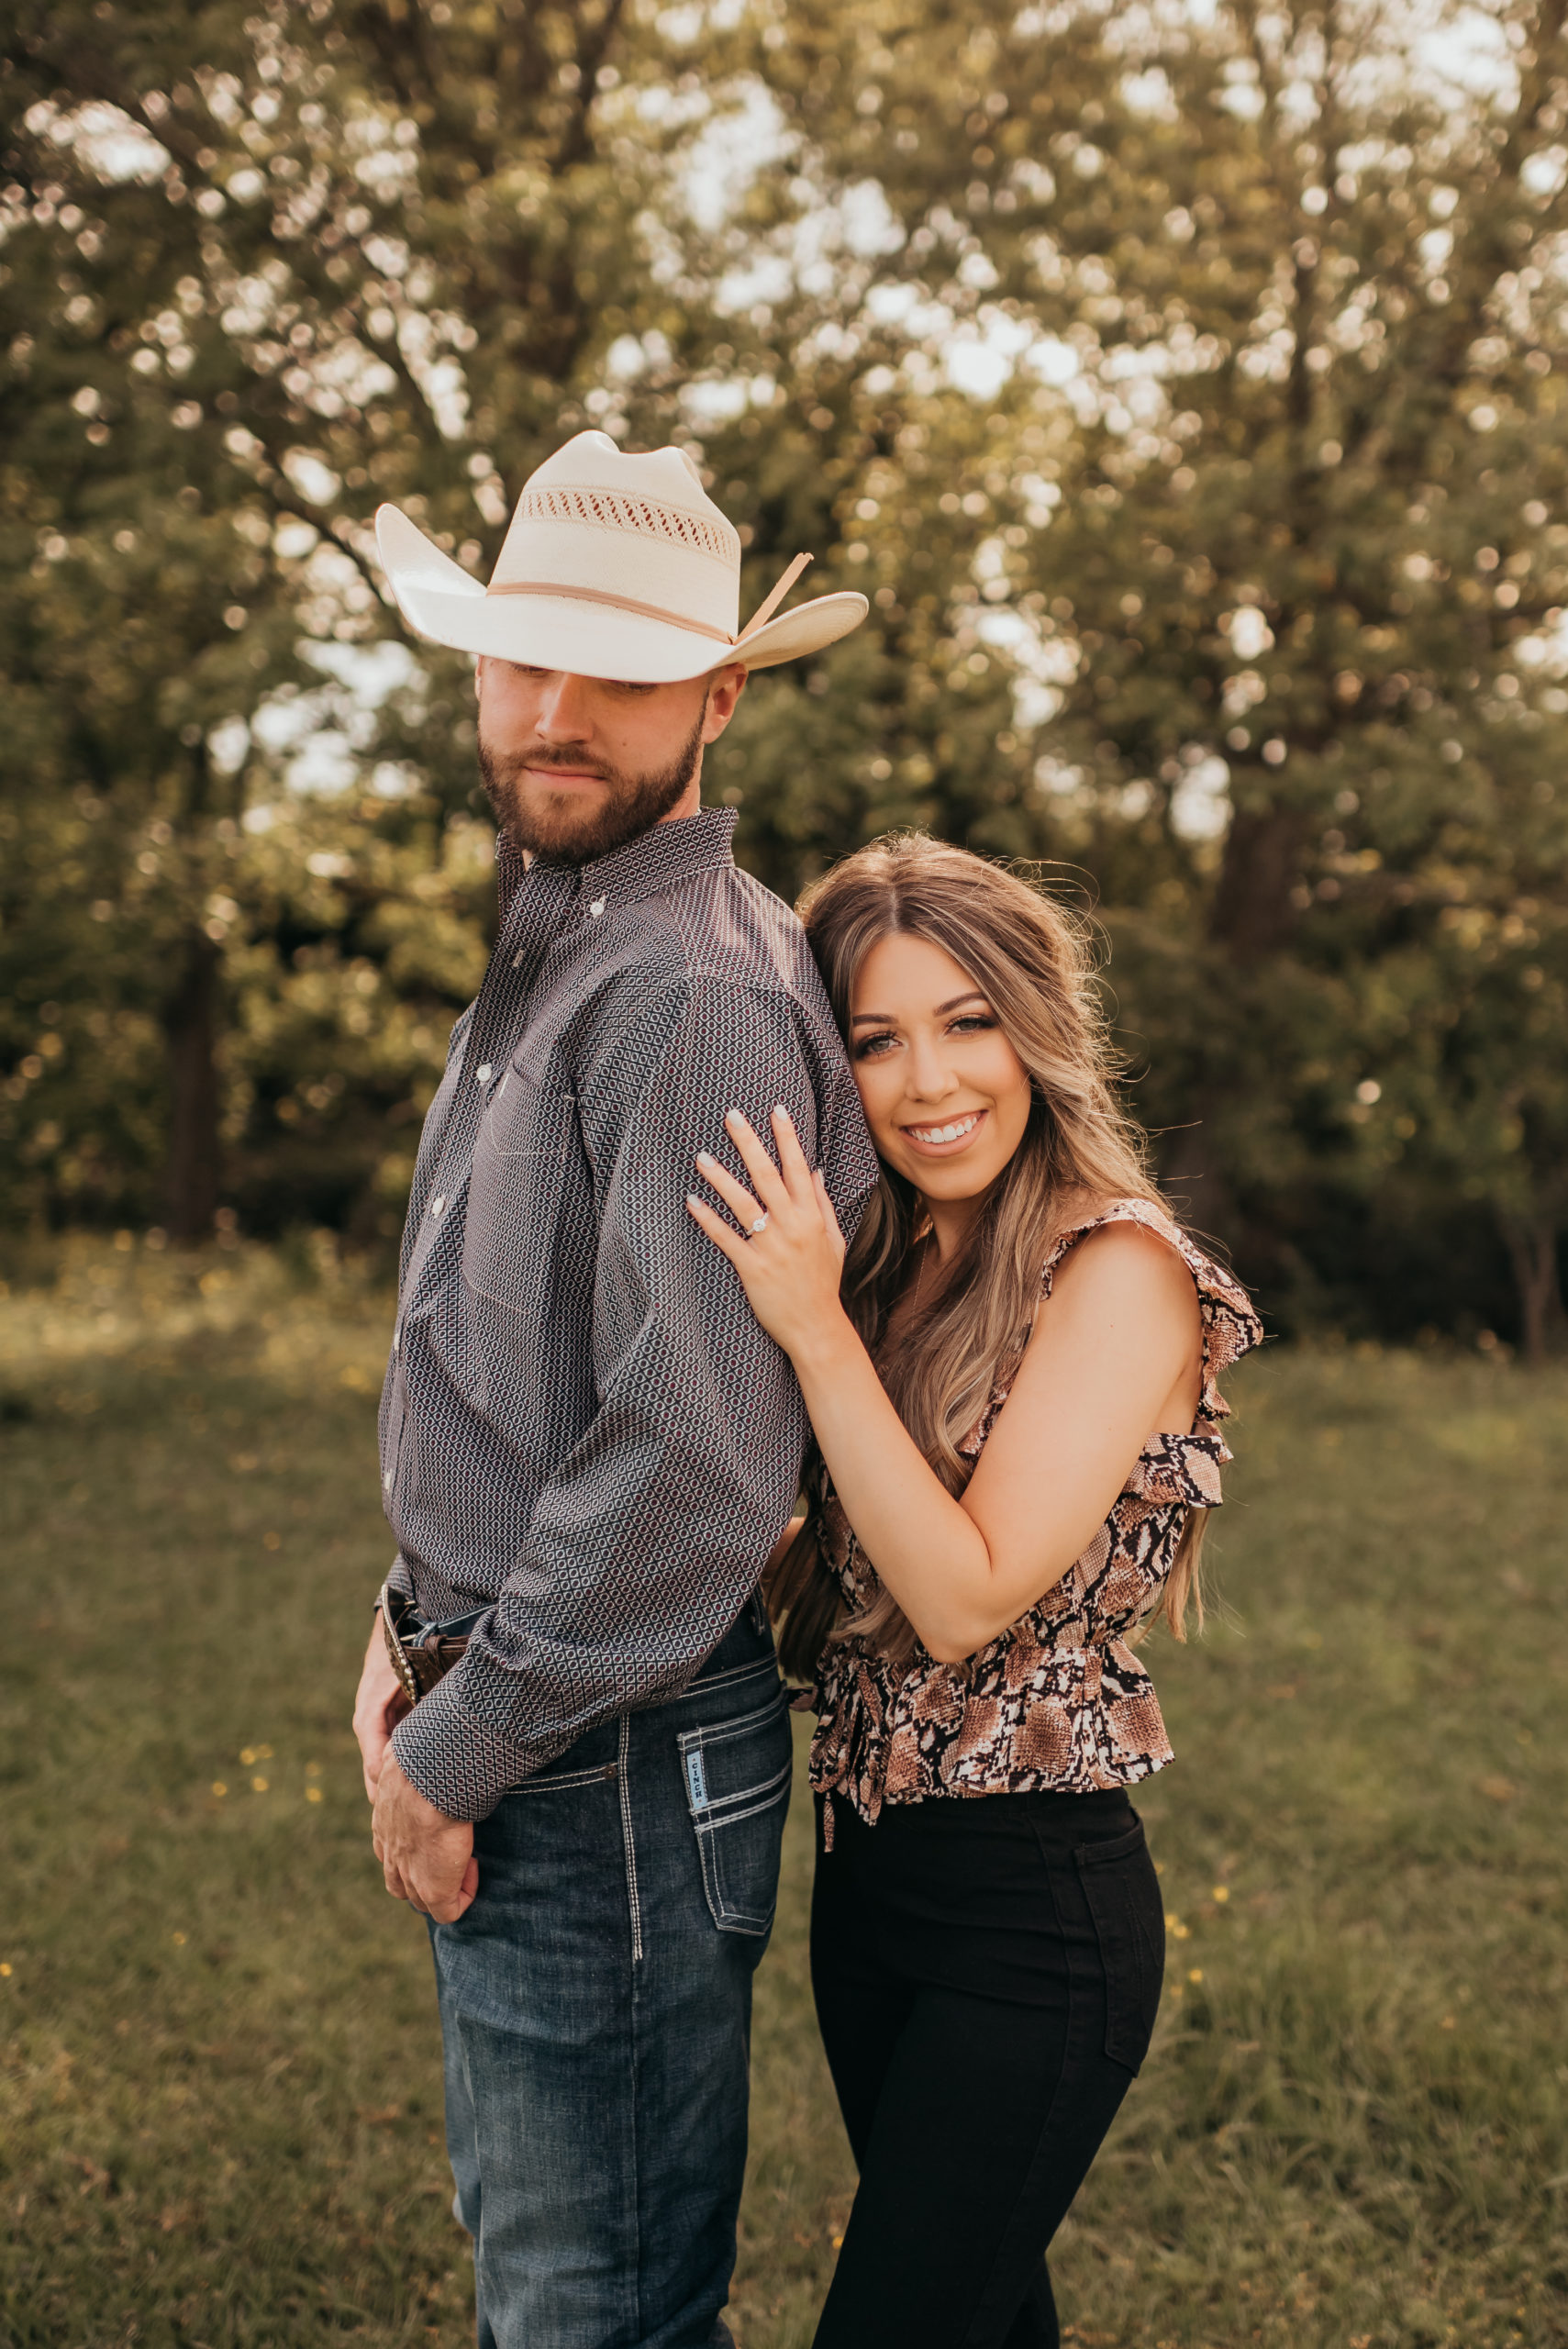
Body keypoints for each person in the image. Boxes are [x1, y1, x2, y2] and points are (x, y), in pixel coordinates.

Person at [349, 429, 879, 2349]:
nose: (555, 711)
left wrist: (454, 1742)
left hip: (605, 1753)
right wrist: (404, 1624)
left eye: (621, 669)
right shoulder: (567, 934)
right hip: (527, 1688)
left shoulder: (683, 991)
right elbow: (520, 1359)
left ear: (720, 694)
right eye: (520, 655)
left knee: (599, 2315)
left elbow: (695, 1461)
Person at [687, 833, 1263, 2349]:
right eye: (874, 1039)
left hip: (1032, 1918)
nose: (927, 1080)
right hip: (869, 1884)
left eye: (966, 1021)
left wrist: (808, 1335)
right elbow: (848, 1570)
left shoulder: (1117, 1266)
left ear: (1037, 1026)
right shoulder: (892, 1264)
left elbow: (964, 1598)